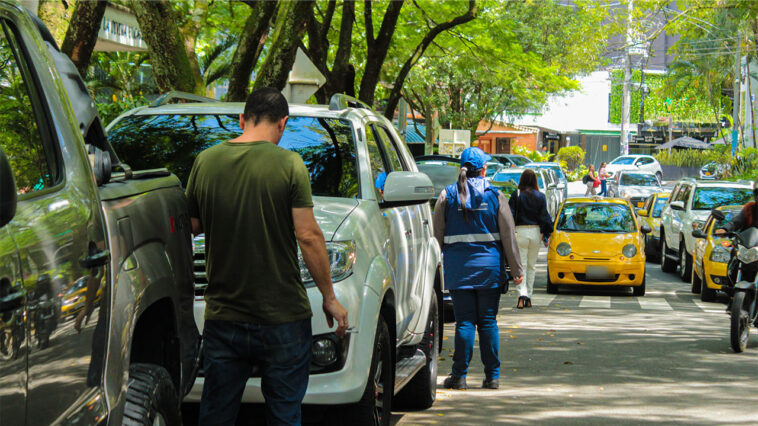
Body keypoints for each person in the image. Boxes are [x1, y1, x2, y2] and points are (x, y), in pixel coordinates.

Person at [187, 88, 349, 425]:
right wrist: (329, 297)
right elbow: (307, 235)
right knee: (284, 414)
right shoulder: (289, 164)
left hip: (224, 316)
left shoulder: (206, 161)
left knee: (215, 416)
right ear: (283, 123)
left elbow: (192, 225)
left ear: (242, 119)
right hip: (283, 319)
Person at [433, 147, 523, 391]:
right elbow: (509, 236)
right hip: (489, 270)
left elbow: (436, 235)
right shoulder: (496, 196)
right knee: (487, 322)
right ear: (483, 169)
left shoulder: (447, 196)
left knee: (464, 323)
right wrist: (516, 270)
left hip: (458, 270)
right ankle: (492, 377)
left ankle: (459, 377)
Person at [509, 169, 553, 308]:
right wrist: (546, 234)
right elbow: (545, 217)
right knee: (531, 266)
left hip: (520, 232)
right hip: (535, 232)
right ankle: (528, 296)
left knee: (520, 266)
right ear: (535, 180)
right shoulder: (540, 196)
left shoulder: (516, 195)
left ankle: (521, 295)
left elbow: (510, 215)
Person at [716, 179, 758, 283]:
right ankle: (730, 281)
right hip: (748, 246)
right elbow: (737, 221)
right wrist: (725, 229)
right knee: (734, 257)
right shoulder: (749, 208)